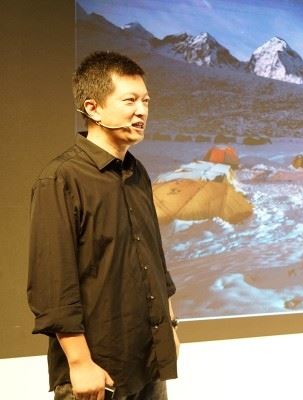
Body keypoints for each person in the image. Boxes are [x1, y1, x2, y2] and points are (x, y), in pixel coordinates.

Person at [27, 51, 179, 400]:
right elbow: (53, 283)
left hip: (148, 363)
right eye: (130, 100)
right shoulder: (61, 178)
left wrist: (170, 327)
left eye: (145, 101)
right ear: (92, 108)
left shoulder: (137, 172)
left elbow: (154, 259)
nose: (141, 111)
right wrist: (80, 362)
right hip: (97, 372)